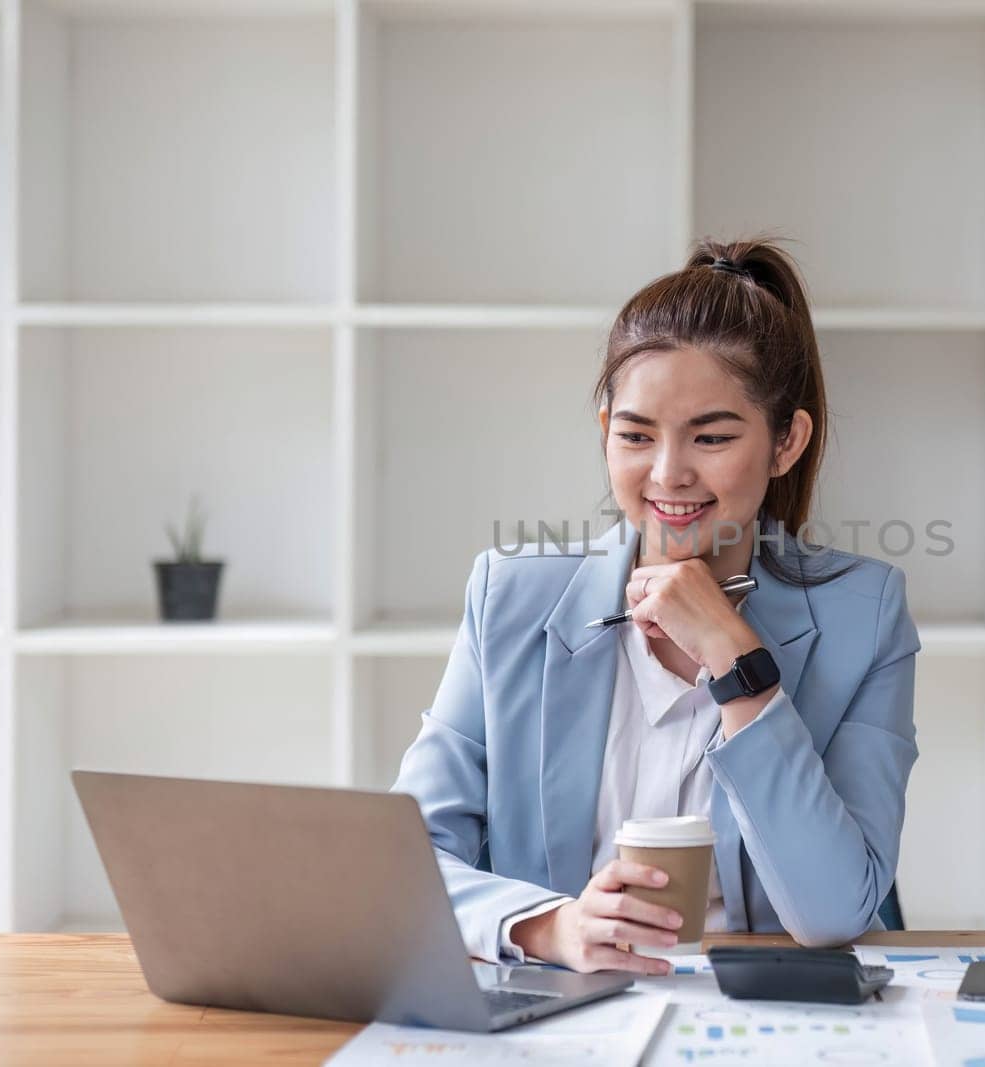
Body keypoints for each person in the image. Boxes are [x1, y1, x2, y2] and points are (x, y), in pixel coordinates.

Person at [394, 236, 920, 976]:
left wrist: (741, 666)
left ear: (786, 441)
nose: (669, 474)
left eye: (711, 435)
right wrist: (551, 925)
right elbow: (407, 865)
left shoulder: (863, 615)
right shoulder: (510, 596)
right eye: (636, 435)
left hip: (763, 1025)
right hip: (564, 1017)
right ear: (606, 431)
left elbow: (834, 910)